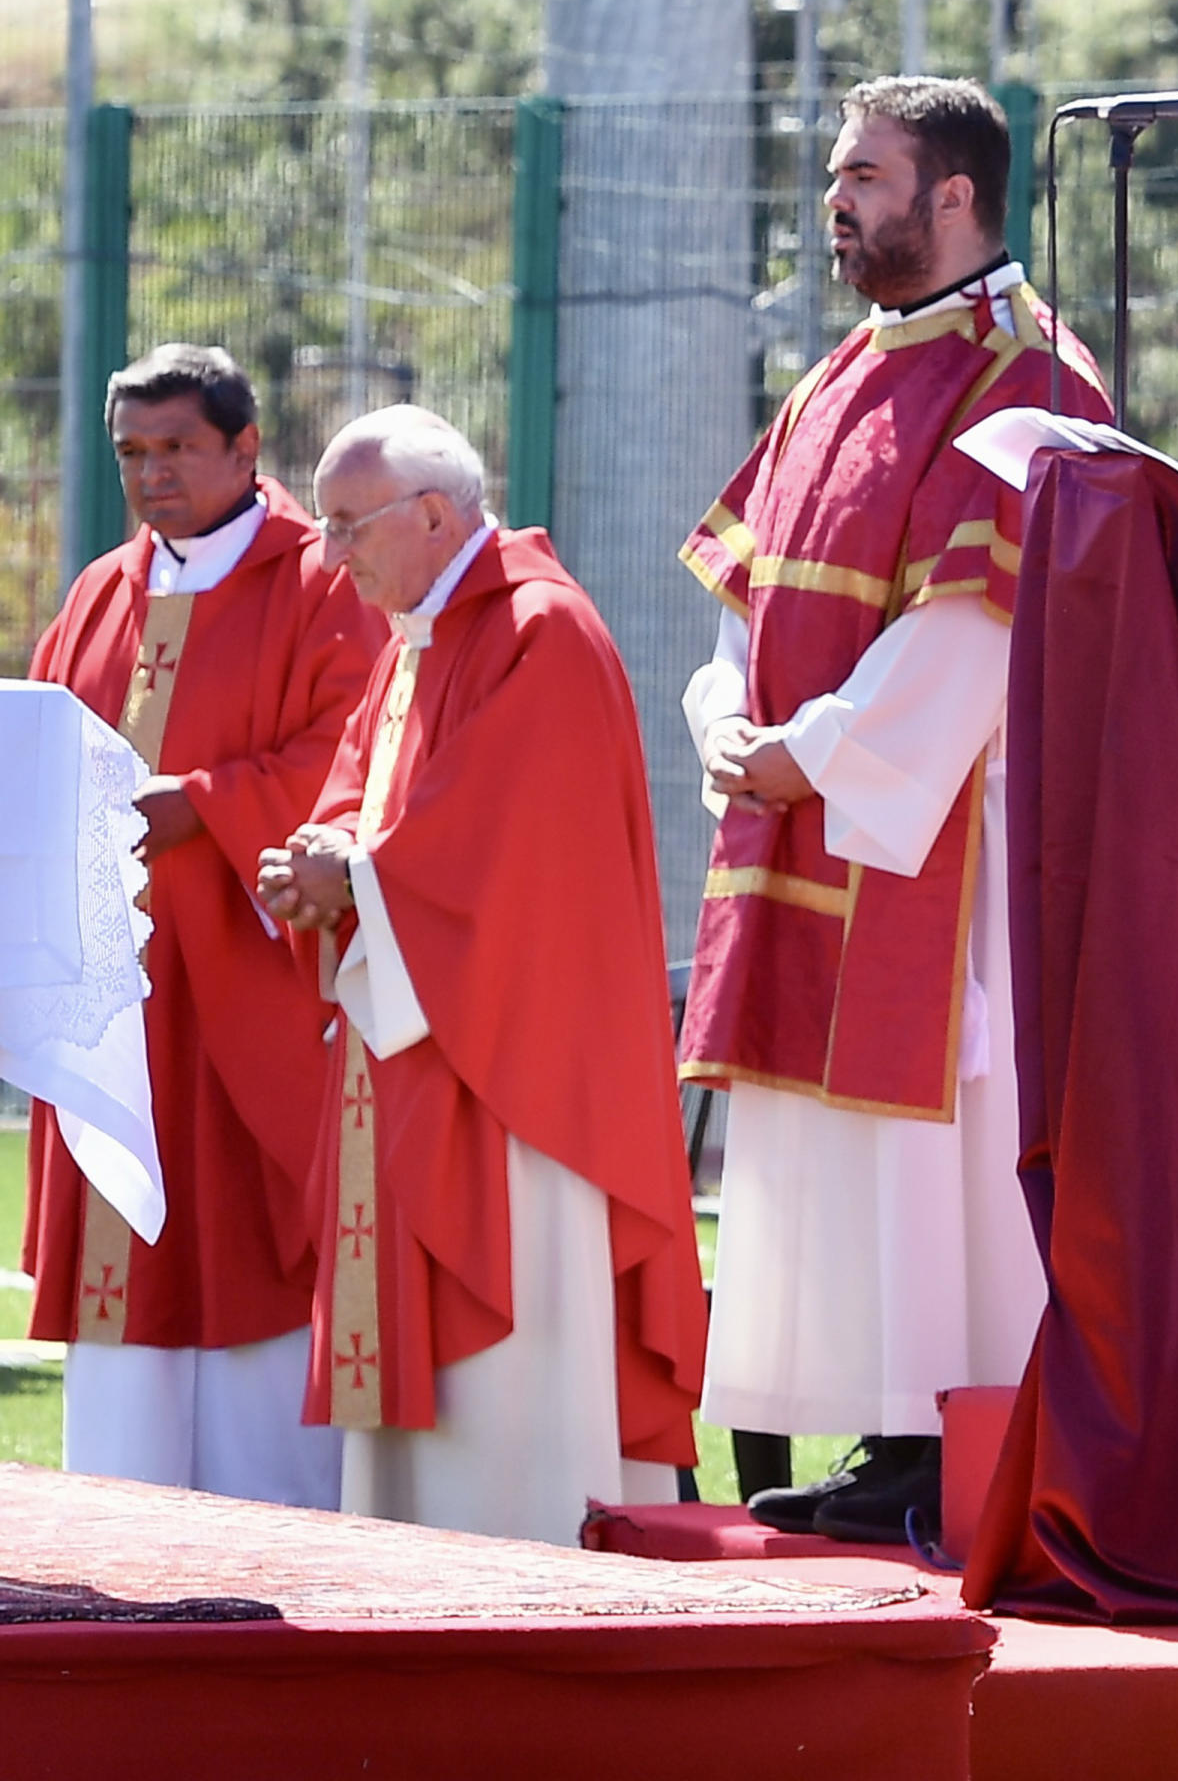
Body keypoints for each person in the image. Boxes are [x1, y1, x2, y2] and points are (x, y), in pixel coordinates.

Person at [676, 75, 1114, 1537]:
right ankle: (883, 1432)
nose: (835, 202)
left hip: (947, 834)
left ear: (956, 195)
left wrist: (818, 753)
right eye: (836, 176)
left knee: (941, 1160)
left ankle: (953, 1440)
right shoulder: (833, 377)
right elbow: (747, 595)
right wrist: (727, 720)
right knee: (834, 1151)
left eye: (864, 176)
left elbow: (977, 630)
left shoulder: (1029, 375)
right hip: (811, 806)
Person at [257, 406, 704, 1544]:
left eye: (347, 525)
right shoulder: (414, 640)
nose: (330, 555)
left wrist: (356, 877)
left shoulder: (539, 630)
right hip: (417, 1030)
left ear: (433, 515)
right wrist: (317, 862)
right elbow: (361, 798)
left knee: (517, 1366)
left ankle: (537, 1559)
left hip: (517, 1068)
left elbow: (508, 858)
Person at [24, 344, 383, 1507]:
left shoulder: (322, 580)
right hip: (116, 995)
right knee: (123, 1280)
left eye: (178, 446)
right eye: (133, 451)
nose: (153, 473)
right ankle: (118, 1530)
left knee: (251, 1245)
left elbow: (357, 748)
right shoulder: (100, 591)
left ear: (245, 445)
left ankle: (281, 1531)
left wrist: (205, 805)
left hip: (249, 983)